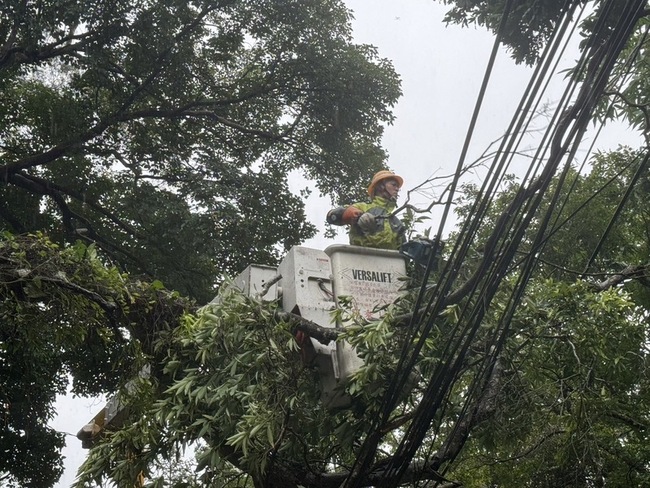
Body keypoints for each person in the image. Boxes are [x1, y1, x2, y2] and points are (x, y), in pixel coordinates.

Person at [327, 170, 406, 250]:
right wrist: (357, 216)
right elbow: (332, 216)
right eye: (393, 185)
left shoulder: (396, 223)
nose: (397, 189)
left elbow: (404, 254)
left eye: (397, 187)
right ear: (380, 186)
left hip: (388, 261)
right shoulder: (362, 208)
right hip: (360, 259)